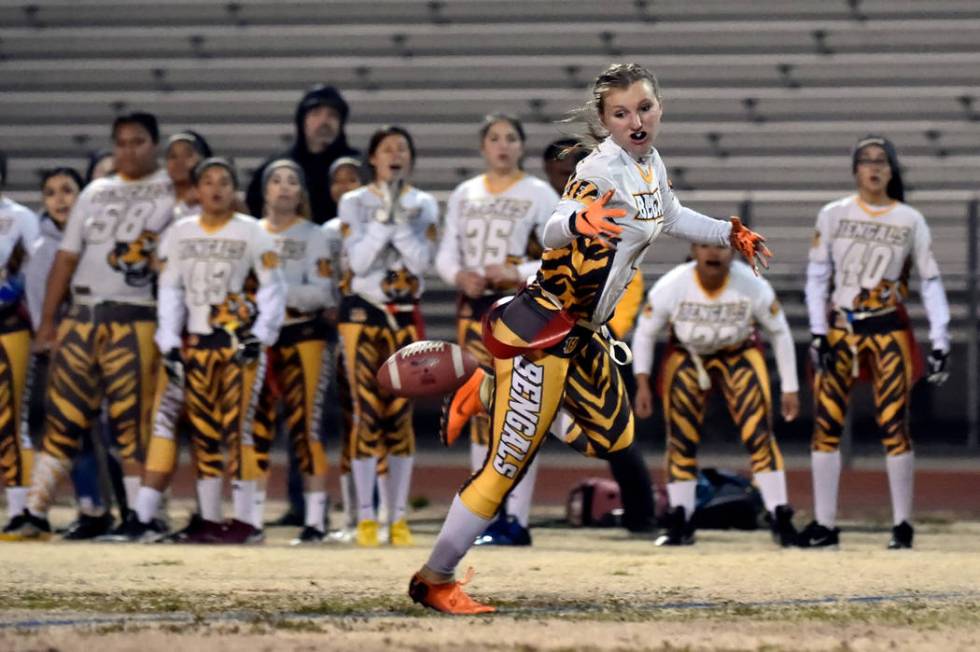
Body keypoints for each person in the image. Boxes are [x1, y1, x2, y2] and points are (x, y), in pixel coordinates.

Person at [408, 62, 770, 614]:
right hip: (545, 330)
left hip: (585, 335)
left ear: (659, 107)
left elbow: (668, 213)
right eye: (621, 113)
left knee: (611, 437)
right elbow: (557, 225)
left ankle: (486, 392)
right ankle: (434, 579)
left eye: (644, 107)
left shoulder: (648, 165)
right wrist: (580, 222)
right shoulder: (600, 169)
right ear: (604, 121)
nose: (636, 120)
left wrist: (728, 231)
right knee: (505, 468)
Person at [3, 113, 175, 540]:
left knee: (131, 423)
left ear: (153, 144)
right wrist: (47, 322)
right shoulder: (96, 191)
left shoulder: (171, 191)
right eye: (121, 142)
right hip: (82, 314)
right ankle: (34, 512)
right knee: (62, 417)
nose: (128, 150)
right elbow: (67, 256)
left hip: (135, 314)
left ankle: (143, 516)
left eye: (137, 141)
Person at [799, 135, 950, 550]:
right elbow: (816, 277)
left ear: (892, 168)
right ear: (855, 169)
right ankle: (825, 524)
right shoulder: (833, 214)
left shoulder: (909, 219)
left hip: (888, 328)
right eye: (865, 160)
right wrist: (816, 330)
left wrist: (941, 336)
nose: (873, 167)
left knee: (894, 425)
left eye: (881, 160)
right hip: (841, 328)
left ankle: (903, 524)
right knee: (826, 424)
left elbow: (930, 280)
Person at [141, 157, 286, 543]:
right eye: (208, 181)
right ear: (196, 189)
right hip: (198, 344)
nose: (216, 188)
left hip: (239, 344)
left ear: (233, 189)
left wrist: (261, 334)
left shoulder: (253, 231)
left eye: (224, 181)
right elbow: (170, 290)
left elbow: (274, 286)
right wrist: (169, 342)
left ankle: (246, 521)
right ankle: (208, 519)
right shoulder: (179, 233)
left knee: (239, 431)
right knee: (203, 434)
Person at [434, 114, 558, 545]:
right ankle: (482, 513)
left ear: (521, 146)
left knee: (523, 409)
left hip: (522, 312)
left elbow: (557, 256)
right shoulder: (465, 193)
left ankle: (518, 518)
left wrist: (514, 271)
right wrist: (459, 276)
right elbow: (447, 253)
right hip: (474, 311)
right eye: (494, 138)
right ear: (483, 147)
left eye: (510, 138)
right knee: (480, 409)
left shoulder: (539, 194)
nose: (503, 145)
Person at [631, 244, 800, 546]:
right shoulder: (673, 284)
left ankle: (779, 514)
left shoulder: (752, 284)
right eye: (707, 246)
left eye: (722, 247)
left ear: (733, 253)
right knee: (680, 437)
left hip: (739, 352)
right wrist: (642, 382)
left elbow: (779, 330)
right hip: (688, 354)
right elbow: (645, 331)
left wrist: (790, 386)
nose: (714, 253)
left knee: (759, 433)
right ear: (694, 250)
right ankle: (681, 516)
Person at [337, 126, 438, 547]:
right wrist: (386, 223)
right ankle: (364, 517)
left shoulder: (424, 203)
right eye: (387, 148)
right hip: (362, 318)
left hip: (404, 318)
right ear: (373, 158)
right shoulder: (353, 202)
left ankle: (396, 518)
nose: (395, 154)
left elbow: (422, 263)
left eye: (402, 148)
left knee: (400, 416)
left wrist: (394, 225)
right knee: (365, 413)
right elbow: (357, 263)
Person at [22, 167, 119, 540]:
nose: (60, 199)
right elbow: (39, 306)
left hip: (103, 345)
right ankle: (90, 507)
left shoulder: (96, 239)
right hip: (64, 351)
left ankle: (107, 509)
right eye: (51, 193)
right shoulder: (44, 248)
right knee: (72, 433)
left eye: (67, 190)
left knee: (106, 432)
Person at [248, 159, 336, 543]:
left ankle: (316, 520)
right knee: (256, 427)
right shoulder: (249, 233)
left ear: (301, 192)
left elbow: (322, 292)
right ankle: (250, 519)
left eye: (292, 181)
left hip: (304, 337)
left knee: (307, 428)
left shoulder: (314, 235)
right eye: (277, 181)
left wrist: (275, 294)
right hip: (260, 340)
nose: (284, 187)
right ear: (265, 190)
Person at [246, 85, 359, 224]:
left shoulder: (357, 166)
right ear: (302, 120)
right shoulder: (278, 167)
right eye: (316, 113)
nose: (324, 121)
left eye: (332, 115)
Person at [0, 151, 41, 539]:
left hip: (8, 326)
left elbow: (37, 272)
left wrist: (10, 288)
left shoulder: (20, 217)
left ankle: (22, 510)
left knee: (11, 420)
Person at [165, 130, 212, 220]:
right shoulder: (157, 198)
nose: (179, 162)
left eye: (187, 155)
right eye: (173, 156)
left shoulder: (218, 198)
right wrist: (184, 204)